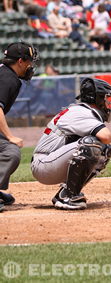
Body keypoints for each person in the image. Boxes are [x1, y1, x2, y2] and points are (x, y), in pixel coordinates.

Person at [30, 78, 111, 210]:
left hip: (53, 162)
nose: (108, 102)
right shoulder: (82, 112)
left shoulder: (81, 111)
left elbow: (105, 143)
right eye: (105, 98)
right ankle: (69, 196)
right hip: (44, 165)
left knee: (104, 149)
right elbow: (106, 137)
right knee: (91, 144)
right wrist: (108, 137)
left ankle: (65, 193)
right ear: (96, 98)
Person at [0, 41, 39, 212]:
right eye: (29, 61)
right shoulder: (8, 78)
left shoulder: (4, 72)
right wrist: (10, 136)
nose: (31, 65)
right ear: (21, 61)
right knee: (10, 152)